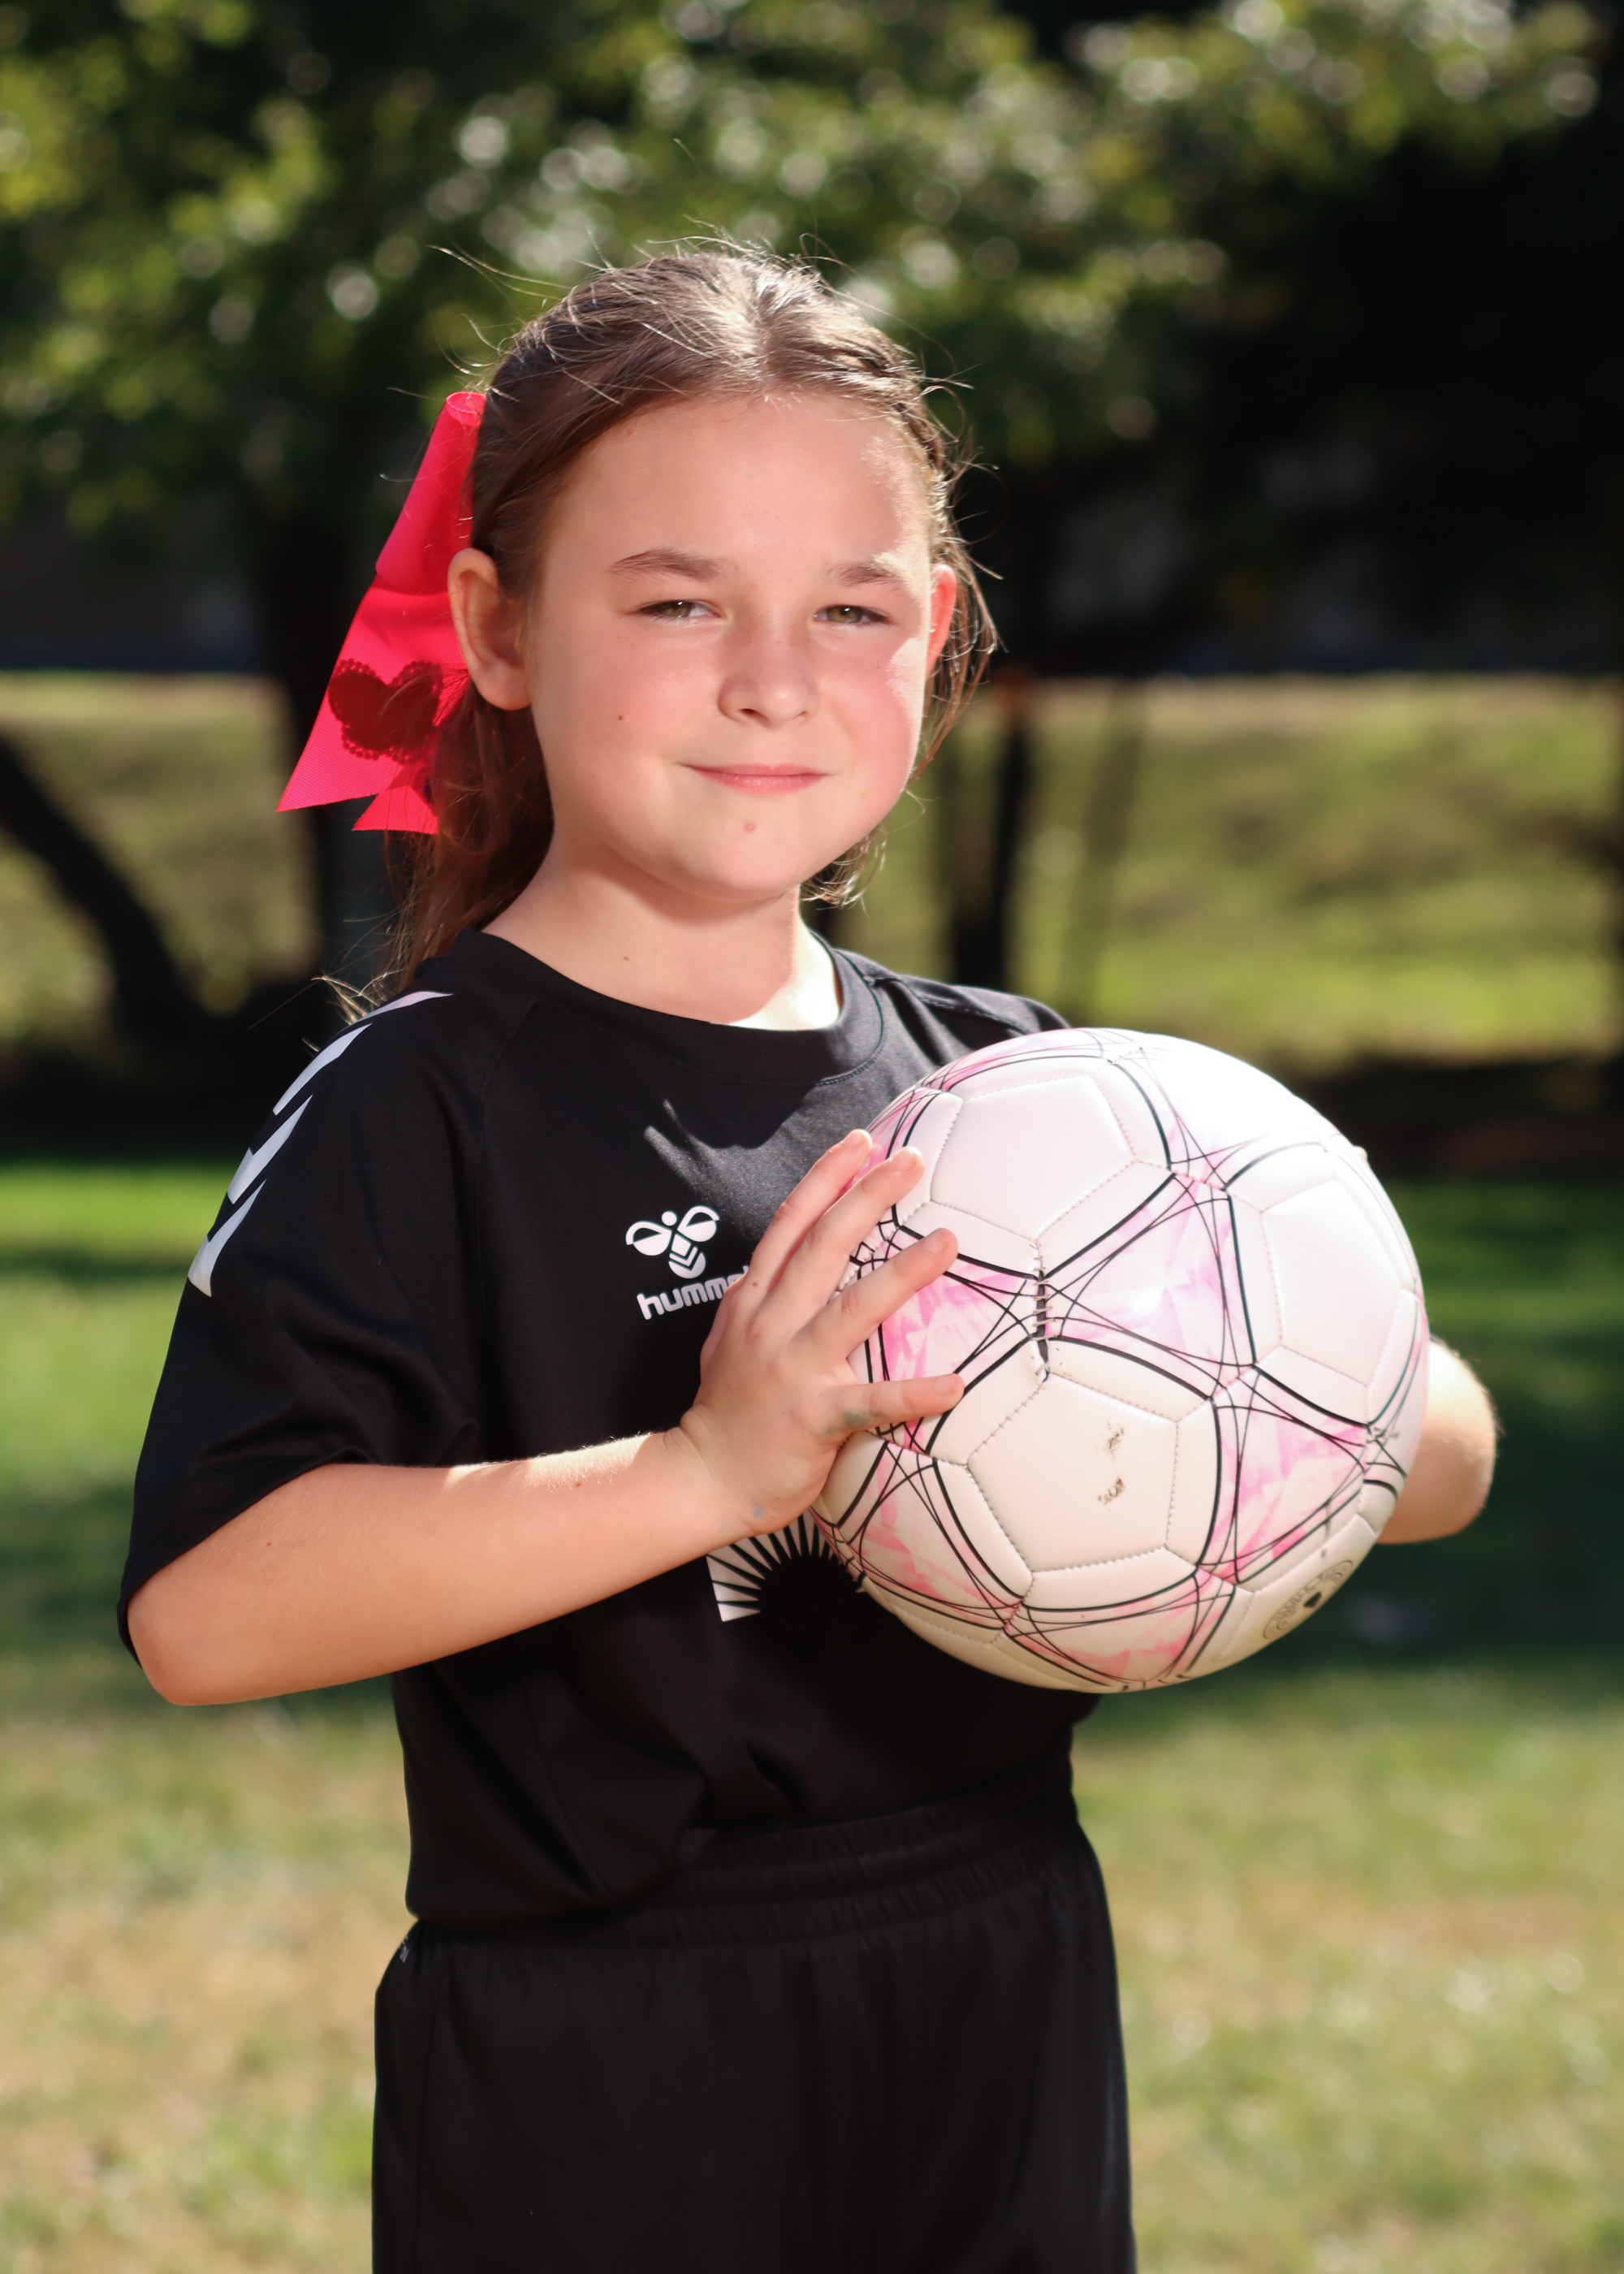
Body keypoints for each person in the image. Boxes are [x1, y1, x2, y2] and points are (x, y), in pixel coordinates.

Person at [120, 249, 1497, 2274]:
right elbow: (206, 1613)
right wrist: (702, 1472)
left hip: (1003, 1973)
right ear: (496, 628)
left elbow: (1431, 1460)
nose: (771, 680)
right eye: (676, 602)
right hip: (612, 2038)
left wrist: (1285, 1360)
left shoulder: (1031, 1103)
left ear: (931, 635)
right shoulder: (421, 1109)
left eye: (849, 610)